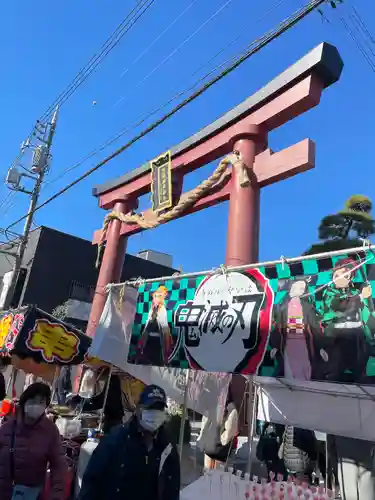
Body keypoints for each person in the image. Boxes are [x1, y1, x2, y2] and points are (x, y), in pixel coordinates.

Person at [79, 384, 180, 500]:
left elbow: (172, 487)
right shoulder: (115, 439)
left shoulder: (168, 446)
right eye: (150, 408)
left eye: (159, 408)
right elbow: (92, 480)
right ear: (138, 409)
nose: (155, 413)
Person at [0, 382, 67, 500]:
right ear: (24, 402)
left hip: (32, 495)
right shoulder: (7, 428)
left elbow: (59, 465)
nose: (36, 405)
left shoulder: (50, 431)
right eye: (33, 400)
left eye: (41, 402)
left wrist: (57, 495)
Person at [320, 258, 374, 383]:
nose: (340, 278)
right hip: (337, 339)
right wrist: (360, 296)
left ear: (351, 277)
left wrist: (367, 299)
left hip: (357, 338)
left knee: (360, 373)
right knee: (334, 373)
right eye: (336, 275)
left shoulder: (356, 291)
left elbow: (367, 313)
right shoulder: (329, 293)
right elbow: (338, 306)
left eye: (345, 275)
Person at [67, 367, 124, 433]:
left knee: (109, 435)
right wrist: (78, 400)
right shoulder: (109, 380)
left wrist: (82, 406)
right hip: (111, 417)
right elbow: (94, 397)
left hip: (114, 419)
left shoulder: (112, 381)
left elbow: (100, 401)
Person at [198, 388, 239, 469]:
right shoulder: (229, 408)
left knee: (209, 474)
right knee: (216, 475)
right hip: (217, 447)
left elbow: (204, 423)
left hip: (213, 446)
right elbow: (230, 430)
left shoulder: (217, 406)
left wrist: (205, 439)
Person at [135, 286, 173, 366]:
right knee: (146, 362)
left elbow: (164, 329)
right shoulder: (152, 310)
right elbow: (147, 328)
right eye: (155, 296)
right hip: (149, 341)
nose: (156, 298)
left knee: (156, 362)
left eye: (159, 296)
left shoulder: (162, 310)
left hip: (157, 342)